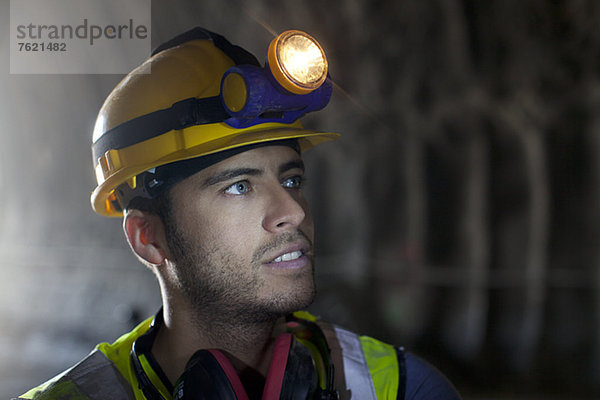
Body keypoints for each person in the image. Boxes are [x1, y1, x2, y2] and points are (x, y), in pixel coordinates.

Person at [16, 27, 461, 400]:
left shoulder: (401, 389)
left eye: (291, 180)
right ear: (148, 237)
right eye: (239, 187)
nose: (292, 212)